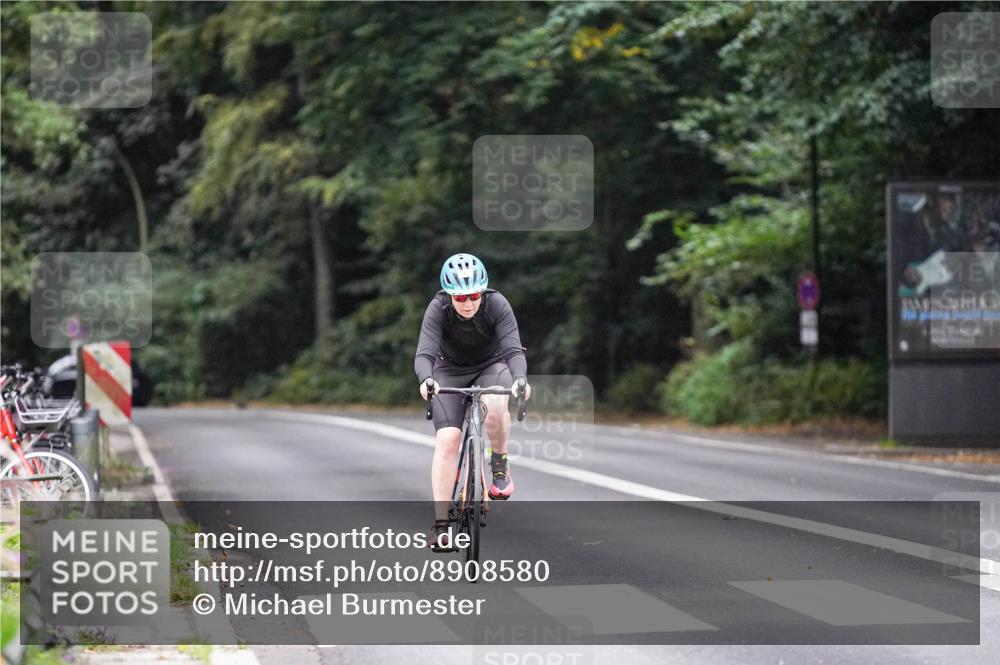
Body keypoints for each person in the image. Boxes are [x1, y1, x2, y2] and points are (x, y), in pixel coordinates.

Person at [415, 253, 530, 552]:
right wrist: (426, 380)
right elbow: (424, 354)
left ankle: (500, 464)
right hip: (449, 370)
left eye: (474, 295)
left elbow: (513, 349)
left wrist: (520, 379)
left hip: (491, 365)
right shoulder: (438, 308)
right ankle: (441, 525)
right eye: (460, 297)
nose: (468, 303)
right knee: (448, 439)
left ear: (483, 291)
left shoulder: (496, 304)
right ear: (449, 295)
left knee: (495, 408)